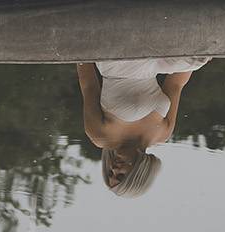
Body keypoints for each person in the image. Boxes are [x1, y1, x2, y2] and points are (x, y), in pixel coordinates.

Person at [76, 57, 207, 197]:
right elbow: (175, 85)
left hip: (114, 59)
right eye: (120, 175)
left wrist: (79, 52)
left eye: (110, 173)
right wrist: (193, 58)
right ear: (137, 174)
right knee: (199, 60)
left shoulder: (101, 136)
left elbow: (89, 85)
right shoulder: (163, 134)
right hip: (153, 62)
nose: (114, 168)